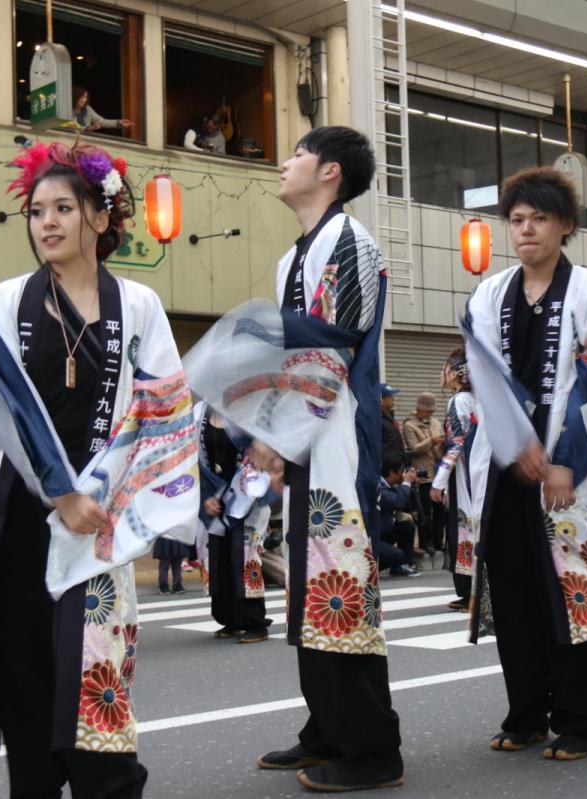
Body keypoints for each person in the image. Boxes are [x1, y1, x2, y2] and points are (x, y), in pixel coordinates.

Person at [0, 140, 193, 797]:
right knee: (25, 676)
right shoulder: (7, 301)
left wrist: (119, 498)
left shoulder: (138, 304)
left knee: (91, 683)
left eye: (64, 207)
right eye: (37, 211)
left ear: (100, 215)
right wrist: (57, 489)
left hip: (97, 518)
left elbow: (166, 412)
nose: (47, 222)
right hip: (18, 513)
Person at [233, 127, 403, 792]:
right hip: (308, 439)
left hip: (338, 440)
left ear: (331, 171)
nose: (285, 162)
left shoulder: (350, 241)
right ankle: (328, 727)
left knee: (340, 589)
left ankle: (372, 747)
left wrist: (275, 434)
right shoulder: (293, 257)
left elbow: (332, 346)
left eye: (299, 154)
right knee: (312, 590)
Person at [462, 166, 587, 760]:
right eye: (517, 220)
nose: (526, 230)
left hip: (562, 467)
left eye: (539, 219)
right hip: (504, 466)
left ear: (565, 225)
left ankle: (580, 719)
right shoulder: (489, 294)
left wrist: (565, 463)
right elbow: (484, 378)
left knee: (571, 589)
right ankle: (525, 712)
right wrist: (512, 446)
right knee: (515, 593)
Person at [199, 403, 274, 644]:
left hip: (247, 495)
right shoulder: (198, 415)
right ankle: (229, 618)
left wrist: (246, 490)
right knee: (218, 558)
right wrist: (206, 496)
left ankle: (254, 622)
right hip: (215, 496)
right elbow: (194, 461)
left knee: (243, 558)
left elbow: (262, 455)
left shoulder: (248, 409)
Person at [430, 347, 476, 611]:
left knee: (462, 527)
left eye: (445, 368)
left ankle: (470, 590)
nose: (442, 373)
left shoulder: (458, 401)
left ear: (456, 374)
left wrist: (439, 481)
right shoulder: (474, 399)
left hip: (463, 475)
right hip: (473, 472)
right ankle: (472, 589)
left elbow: (456, 443)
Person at [402, 391, 444, 565]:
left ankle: (439, 543)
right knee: (424, 511)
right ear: (419, 409)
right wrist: (432, 441)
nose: (431, 413)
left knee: (440, 511)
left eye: (433, 410)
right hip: (422, 475)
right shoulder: (409, 425)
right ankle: (427, 543)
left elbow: (440, 448)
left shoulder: (436, 422)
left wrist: (442, 444)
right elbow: (413, 449)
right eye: (428, 410)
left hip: (438, 474)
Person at [378, 456, 421, 577]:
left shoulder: (389, 485)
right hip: (373, 538)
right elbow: (398, 503)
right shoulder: (378, 486)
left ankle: (401, 566)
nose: (403, 474)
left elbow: (407, 506)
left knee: (407, 527)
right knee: (398, 556)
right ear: (392, 472)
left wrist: (410, 485)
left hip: (385, 532)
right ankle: (374, 567)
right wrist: (406, 483)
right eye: (402, 471)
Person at [380, 383, 406, 469]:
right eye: (390, 396)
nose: (393, 399)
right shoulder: (378, 420)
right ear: (381, 399)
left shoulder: (389, 419)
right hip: (387, 468)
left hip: (396, 466)